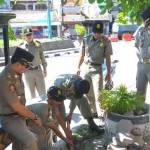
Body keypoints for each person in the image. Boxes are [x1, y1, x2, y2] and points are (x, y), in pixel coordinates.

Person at [0, 47, 42, 150]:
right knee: (31, 141)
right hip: (8, 118)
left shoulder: (16, 73)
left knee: (39, 131)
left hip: (18, 116)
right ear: (18, 64)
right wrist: (34, 117)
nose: (28, 69)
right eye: (27, 66)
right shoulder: (6, 78)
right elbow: (16, 107)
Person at [77, 21, 113, 118]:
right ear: (92, 31)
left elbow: (108, 58)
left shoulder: (106, 41)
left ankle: (102, 115)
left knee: (99, 93)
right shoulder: (86, 39)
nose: (98, 34)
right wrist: (77, 67)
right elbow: (82, 55)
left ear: (102, 32)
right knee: (88, 92)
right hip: (85, 68)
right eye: (96, 32)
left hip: (97, 70)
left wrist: (109, 73)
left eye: (100, 32)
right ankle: (93, 112)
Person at [20, 27, 47, 99]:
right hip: (27, 73)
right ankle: (34, 110)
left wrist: (45, 70)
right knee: (31, 96)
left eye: (30, 34)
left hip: (38, 71)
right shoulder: (21, 47)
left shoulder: (38, 45)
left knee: (43, 94)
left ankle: (45, 109)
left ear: (32, 35)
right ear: (24, 37)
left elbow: (43, 59)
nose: (29, 36)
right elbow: (19, 63)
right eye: (27, 35)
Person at [135, 7, 150, 99]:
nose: (144, 21)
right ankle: (139, 111)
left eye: (145, 19)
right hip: (141, 65)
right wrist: (139, 57)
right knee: (139, 90)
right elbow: (135, 46)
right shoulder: (140, 30)